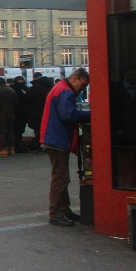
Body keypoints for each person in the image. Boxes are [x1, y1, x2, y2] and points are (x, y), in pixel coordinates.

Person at [39, 67, 91, 227]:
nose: (82, 89)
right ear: (74, 78)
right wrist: (91, 113)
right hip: (57, 139)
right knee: (60, 178)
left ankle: (64, 210)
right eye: (82, 85)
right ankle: (55, 214)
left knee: (61, 177)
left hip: (52, 138)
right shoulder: (65, 91)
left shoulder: (60, 88)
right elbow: (68, 115)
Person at [0, 76, 19, 156]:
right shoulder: (11, 90)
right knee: (10, 132)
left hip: (1, 116)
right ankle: (12, 149)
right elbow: (16, 102)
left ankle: (4, 149)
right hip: (11, 115)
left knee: (1, 132)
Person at [25, 72, 53, 151]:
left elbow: (27, 97)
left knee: (37, 129)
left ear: (34, 78)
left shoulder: (35, 87)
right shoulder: (50, 86)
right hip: (48, 111)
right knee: (47, 129)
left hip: (36, 112)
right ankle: (48, 146)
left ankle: (40, 145)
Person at [10, 75, 28, 152]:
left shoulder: (12, 90)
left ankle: (15, 145)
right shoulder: (26, 90)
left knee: (15, 130)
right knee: (20, 130)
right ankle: (18, 144)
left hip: (15, 113)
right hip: (23, 114)